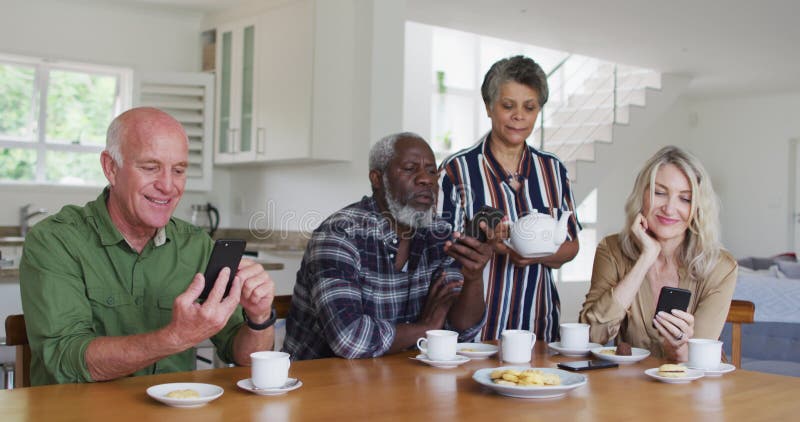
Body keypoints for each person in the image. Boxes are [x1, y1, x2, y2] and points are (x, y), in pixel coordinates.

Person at [19, 107, 276, 385]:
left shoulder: (196, 245)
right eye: (150, 168)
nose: (168, 186)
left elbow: (243, 356)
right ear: (111, 168)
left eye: (178, 170)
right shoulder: (55, 241)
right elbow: (65, 359)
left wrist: (259, 317)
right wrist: (174, 338)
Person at [283, 132, 492, 360]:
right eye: (411, 168)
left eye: (432, 171)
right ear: (377, 179)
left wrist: (473, 277)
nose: (426, 179)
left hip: (402, 381)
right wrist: (426, 328)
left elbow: (461, 331)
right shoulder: (339, 234)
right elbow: (350, 340)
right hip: (320, 386)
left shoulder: (439, 234)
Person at [439, 55, 581, 343]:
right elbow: (442, 248)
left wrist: (533, 252)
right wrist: (493, 245)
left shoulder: (553, 169)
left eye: (529, 107)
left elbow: (571, 245)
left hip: (539, 331)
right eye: (508, 106)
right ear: (489, 107)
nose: (519, 116)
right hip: (475, 336)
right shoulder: (457, 170)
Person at [579, 146, 737, 361]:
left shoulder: (720, 266)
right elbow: (591, 335)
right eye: (660, 193)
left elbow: (699, 360)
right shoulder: (612, 250)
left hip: (695, 387)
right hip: (629, 390)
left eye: (685, 198)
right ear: (641, 195)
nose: (670, 209)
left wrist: (679, 348)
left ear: (698, 207)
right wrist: (645, 259)